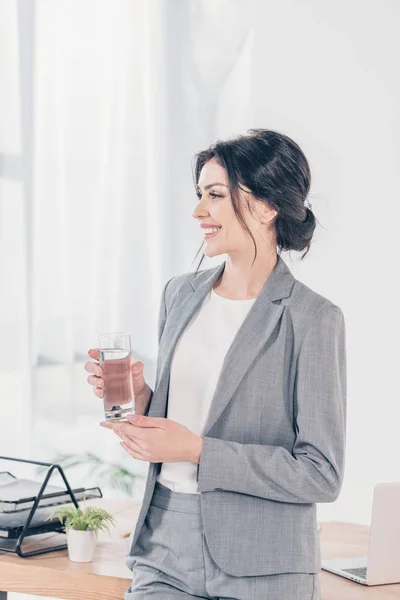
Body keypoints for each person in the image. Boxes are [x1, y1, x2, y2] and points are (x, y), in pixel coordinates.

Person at [85, 128, 347, 599]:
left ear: (267, 206)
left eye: (215, 195)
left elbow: (320, 473)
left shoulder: (312, 319)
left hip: (265, 565)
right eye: (199, 194)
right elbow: (179, 420)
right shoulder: (179, 294)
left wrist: (200, 451)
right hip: (164, 546)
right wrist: (140, 396)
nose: (198, 211)